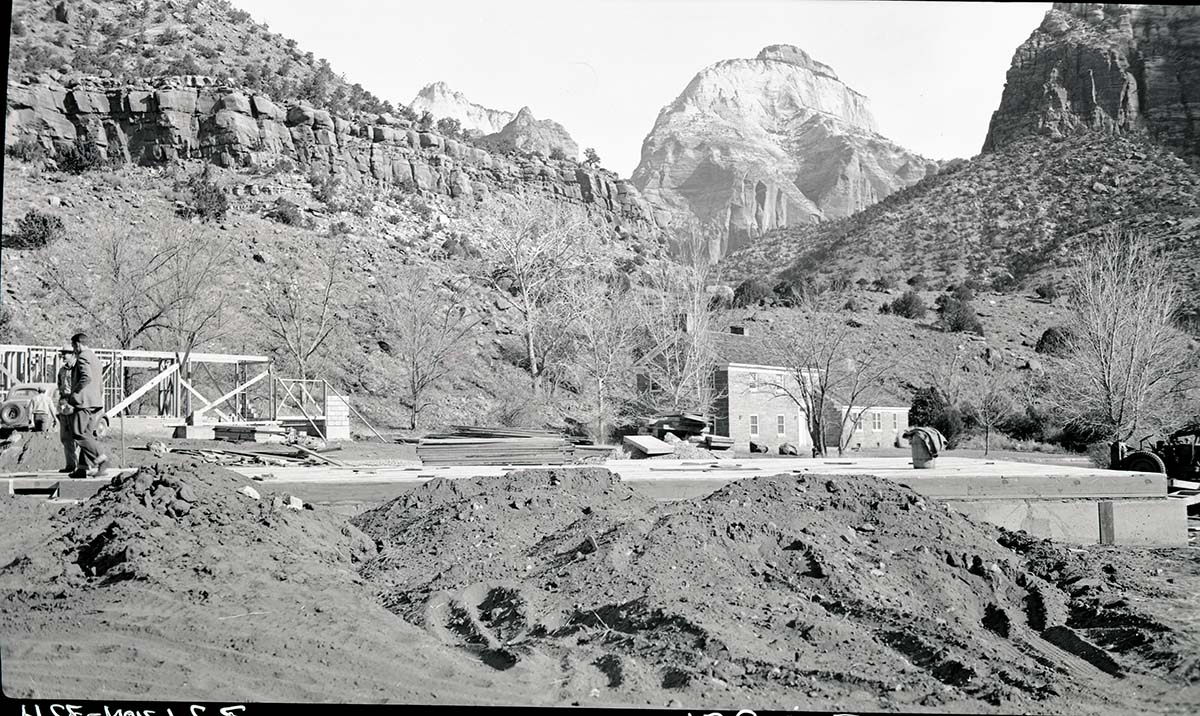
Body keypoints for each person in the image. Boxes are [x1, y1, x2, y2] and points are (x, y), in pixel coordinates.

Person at [66, 332, 108, 478]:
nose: (73, 350)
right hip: (94, 402)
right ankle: (82, 468)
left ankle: (102, 459)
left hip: (83, 402)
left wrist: (74, 393)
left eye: (73, 346)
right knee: (87, 434)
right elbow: (99, 383)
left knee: (78, 433)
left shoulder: (83, 357)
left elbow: (86, 377)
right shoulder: (95, 359)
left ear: (78, 344)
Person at [57, 349, 79, 474]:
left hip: (75, 404)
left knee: (79, 436)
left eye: (66, 353)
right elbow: (59, 385)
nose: (63, 356)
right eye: (62, 354)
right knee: (65, 437)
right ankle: (70, 464)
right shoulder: (62, 370)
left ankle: (83, 465)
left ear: (73, 354)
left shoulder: (78, 369)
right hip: (64, 403)